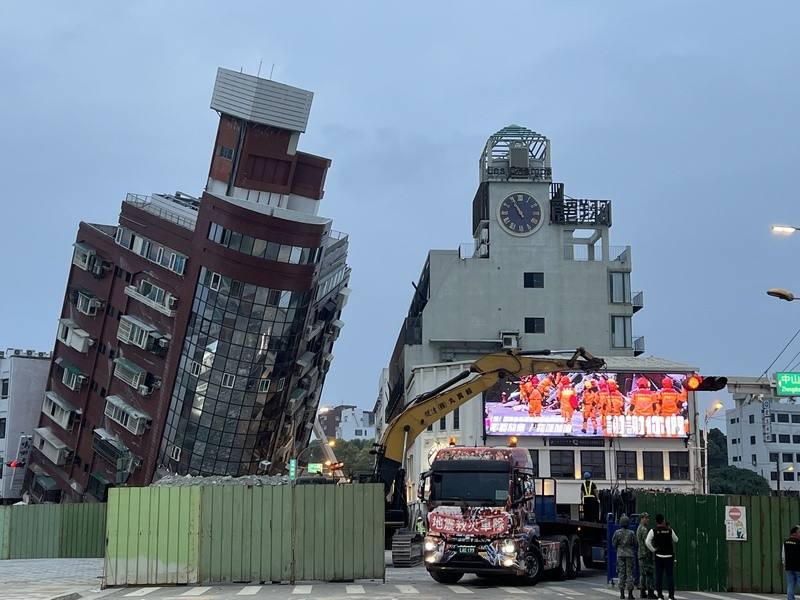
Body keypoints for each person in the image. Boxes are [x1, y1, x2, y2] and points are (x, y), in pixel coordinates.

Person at [646, 514, 678, 600]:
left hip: (659, 556)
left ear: (656, 521)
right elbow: (676, 539)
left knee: (659, 576)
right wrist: (669, 528)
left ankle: (660, 596)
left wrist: (653, 550)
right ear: (663, 520)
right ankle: (671, 596)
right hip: (669, 556)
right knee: (670, 576)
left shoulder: (653, 531)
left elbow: (647, 542)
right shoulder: (669, 530)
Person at [612, 515, 636, 599]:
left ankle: (622, 594)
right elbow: (634, 543)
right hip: (629, 554)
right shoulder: (631, 533)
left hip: (620, 554)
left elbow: (614, 544)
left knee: (621, 573)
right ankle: (630, 594)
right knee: (629, 573)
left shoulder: (617, 532)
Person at [636, 512, 656, 599]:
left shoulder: (639, 528)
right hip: (646, 554)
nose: (648, 519)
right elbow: (647, 542)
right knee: (649, 574)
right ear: (642, 519)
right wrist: (652, 550)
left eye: (648, 518)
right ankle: (650, 592)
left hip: (641, 553)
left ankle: (642, 592)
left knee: (642, 574)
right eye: (646, 518)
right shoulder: (644, 529)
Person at [783, 525, 800, 600]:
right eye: (799, 532)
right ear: (796, 533)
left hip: (789, 567)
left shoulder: (786, 542)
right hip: (798, 567)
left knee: (790, 585)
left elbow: (783, 555)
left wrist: (784, 564)